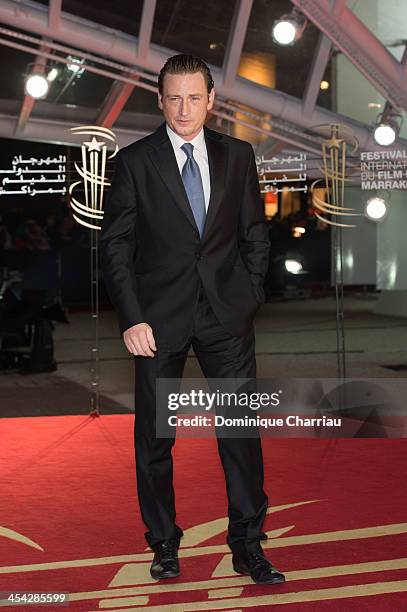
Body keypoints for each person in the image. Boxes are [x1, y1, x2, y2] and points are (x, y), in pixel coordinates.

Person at [100, 54, 285, 585]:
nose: (184, 109)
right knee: (156, 440)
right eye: (173, 98)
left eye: (194, 97)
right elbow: (116, 247)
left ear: (211, 101)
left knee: (240, 435)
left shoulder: (238, 155)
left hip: (227, 316)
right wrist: (131, 318)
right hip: (157, 323)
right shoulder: (136, 161)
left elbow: (254, 233)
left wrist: (249, 295)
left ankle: (248, 546)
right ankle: (163, 543)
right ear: (159, 101)